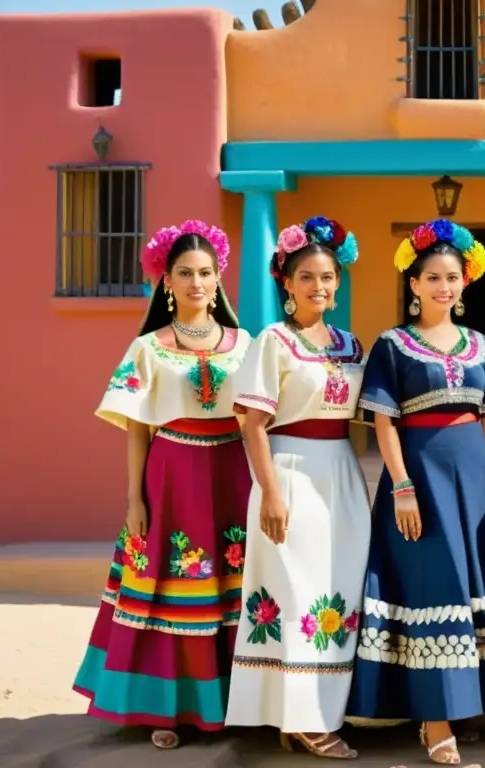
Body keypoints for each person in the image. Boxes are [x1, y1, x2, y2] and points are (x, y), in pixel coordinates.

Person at [346, 219, 485, 766]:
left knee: (475, 582)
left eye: (453, 277)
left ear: (463, 285)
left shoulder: (482, 346)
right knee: (432, 585)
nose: (444, 287)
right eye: (432, 278)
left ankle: (468, 703)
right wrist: (400, 485)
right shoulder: (393, 345)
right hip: (418, 476)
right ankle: (434, 716)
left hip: (475, 476)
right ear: (413, 283)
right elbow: (383, 420)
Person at [73, 220, 253, 749]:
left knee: (232, 591)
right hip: (171, 474)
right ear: (166, 281)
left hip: (232, 474)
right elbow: (137, 429)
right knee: (166, 591)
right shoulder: (148, 349)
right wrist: (134, 499)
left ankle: (233, 703)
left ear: (218, 279)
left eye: (206, 272)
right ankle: (165, 709)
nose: (197, 282)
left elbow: (264, 418)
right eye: (184, 273)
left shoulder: (247, 344)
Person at [224, 217, 368, 759]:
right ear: (287, 283)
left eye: (328, 277)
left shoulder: (351, 346)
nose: (319, 287)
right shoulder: (273, 342)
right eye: (306, 277)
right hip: (288, 471)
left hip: (342, 477)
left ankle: (323, 709)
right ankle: (302, 718)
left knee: (337, 591)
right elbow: (252, 422)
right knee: (294, 592)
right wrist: (272, 492)